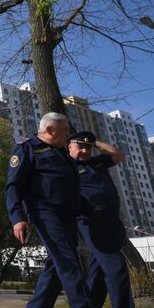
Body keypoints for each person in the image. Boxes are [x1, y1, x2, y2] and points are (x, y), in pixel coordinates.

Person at [5, 112, 92, 307]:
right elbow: (13, 186)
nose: (69, 135)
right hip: (46, 214)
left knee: (55, 266)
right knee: (69, 263)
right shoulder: (27, 149)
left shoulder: (61, 153)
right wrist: (17, 217)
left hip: (68, 216)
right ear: (50, 130)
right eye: (65, 130)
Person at [68, 131, 133, 307]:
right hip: (90, 220)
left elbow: (119, 154)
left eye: (87, 148)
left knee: (98, 272)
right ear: (70, 147)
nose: (84, 151)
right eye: (80, 147)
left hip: (110, 220)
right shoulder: (67, 167)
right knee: (116, 267)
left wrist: (95, 142)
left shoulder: (96, 163)